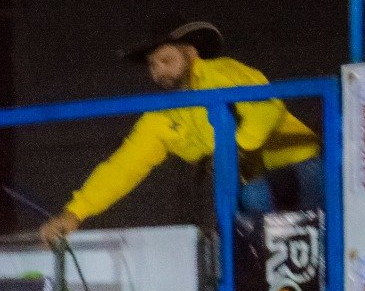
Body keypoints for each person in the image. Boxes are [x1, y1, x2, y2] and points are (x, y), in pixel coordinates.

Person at [38, 22, 321, 243]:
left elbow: (267, 109)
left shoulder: (217, 72)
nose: (158, 71)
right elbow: (123, 166)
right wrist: (75, 213)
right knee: (234, 226)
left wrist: (230, 150)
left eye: (165, 59)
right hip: (264, 192)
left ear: (191, 54)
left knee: (248, 206)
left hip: (309, 166)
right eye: (152, 65)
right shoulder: (161, 116)